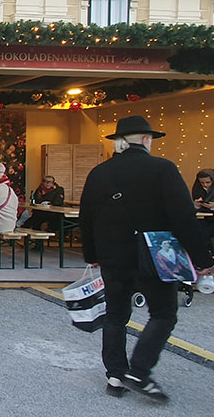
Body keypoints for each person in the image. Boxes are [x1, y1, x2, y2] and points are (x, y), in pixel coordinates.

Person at [79, 115, 214, 402]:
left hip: (113, 256)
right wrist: (203, 258)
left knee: (115, 315)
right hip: (156, 256)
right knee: (163, 314)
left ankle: (116, 375)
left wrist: (92, 254)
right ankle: (139, 372)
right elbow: (184, 218)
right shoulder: (163, 169)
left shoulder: (99, 173)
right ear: (146, 139)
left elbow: (86, 218)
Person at [191, 168, 214, 252]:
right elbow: (194, 208)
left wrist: (213, 207)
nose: (205, 185)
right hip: (203, 218)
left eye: (208, 182)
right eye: (202, 183)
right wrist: (196, 205)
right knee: (198, 228)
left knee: (204, 232)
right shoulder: (197, 189)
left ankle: (208, 251)